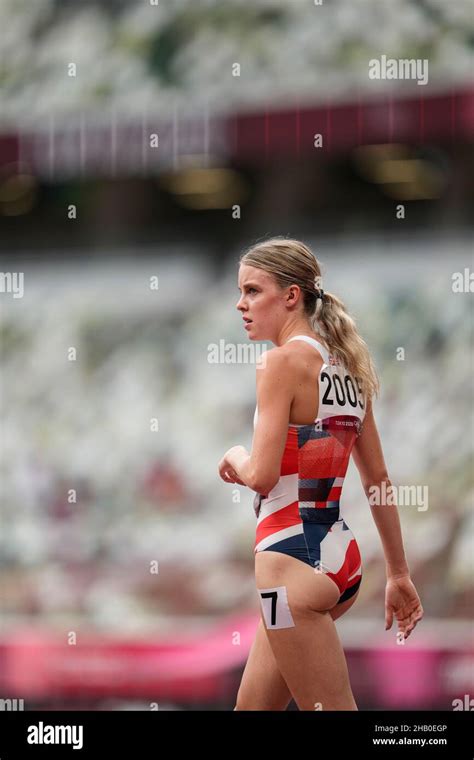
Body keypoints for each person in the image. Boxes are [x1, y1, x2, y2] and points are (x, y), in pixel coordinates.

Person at [218, 237, 423, 711]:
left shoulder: (279, 363)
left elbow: (262, 476)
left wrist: (232, 456)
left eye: (252, 291)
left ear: (291, 296)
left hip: (289, 562)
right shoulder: (349, 367)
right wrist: (398, 573)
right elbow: (379, 481)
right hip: (337, 556)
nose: (240, 303)